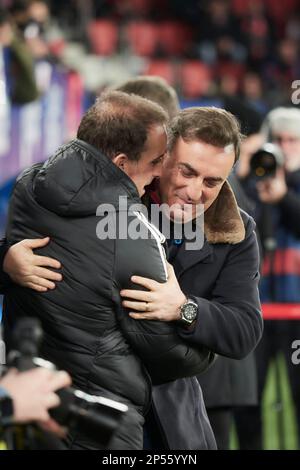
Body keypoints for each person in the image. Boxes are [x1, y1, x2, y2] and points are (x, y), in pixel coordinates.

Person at [2, 90, 213, 450]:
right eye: (156, 160)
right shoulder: (128, 229)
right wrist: (191, 317)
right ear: (120, 162)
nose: (162, 171)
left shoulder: (29, 184)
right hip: (102, 420)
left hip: (33, 410)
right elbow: (168, 355)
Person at [235, 107, 300, 449]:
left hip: (297, 312)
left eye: (294, 140)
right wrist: (242, 174)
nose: (287, 147)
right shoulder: (254, 179)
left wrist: (284, 197)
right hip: (256, 309)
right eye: (280, 140)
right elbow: (231, 225)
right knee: (249, 401)